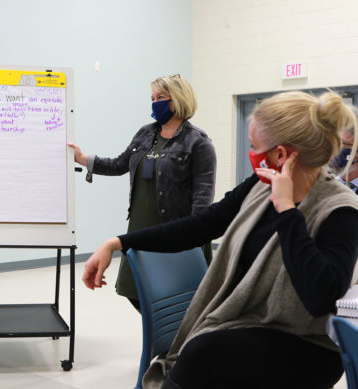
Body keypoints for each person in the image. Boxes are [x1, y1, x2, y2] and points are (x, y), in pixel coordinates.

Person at [82, 90, 358, 389]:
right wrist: (118, 243)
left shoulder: (339, 209)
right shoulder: (260, 186)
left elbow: (321, 298)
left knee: (203, 353)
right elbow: (201, 225)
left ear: (281, 154)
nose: (251, 153)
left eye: (254, 146)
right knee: (202, 354)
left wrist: (287, 210)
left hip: (307, 345)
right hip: (250, 324)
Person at [68, 74, 216, 311]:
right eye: (152, 98)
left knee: (175, 298)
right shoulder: (146, 133)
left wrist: (194, 237)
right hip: (139, 229)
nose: (155, 102)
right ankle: (163, 340)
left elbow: (203, 198)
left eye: (161, 97)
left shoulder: (198, 143)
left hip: (174, 231)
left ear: (178, 99)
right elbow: (119, 164)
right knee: (135, 291)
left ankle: (172, 344)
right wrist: (83, 159)